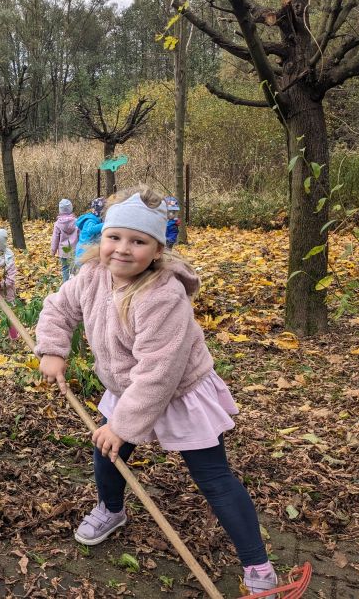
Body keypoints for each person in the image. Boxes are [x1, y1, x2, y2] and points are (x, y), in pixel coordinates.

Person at [35, 185, 278, 597]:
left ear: (157, 248)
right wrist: (53, 349)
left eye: (138, 241)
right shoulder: (91, 276)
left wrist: (122, 425)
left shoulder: (163, 296)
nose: (123, 249)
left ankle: (257, 564)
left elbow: (158, 374)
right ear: (102, 238)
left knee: (214, 478)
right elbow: (59, 308)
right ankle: (111, 510)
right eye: (115, 237)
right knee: (107, 455)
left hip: (178, 392)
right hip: (129, 387)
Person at [51, 198, 79, 283]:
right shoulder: (77, 222)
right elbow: (80, 235)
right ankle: (73, 284)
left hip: (63, 252)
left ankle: (65, 285)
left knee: (65, 268)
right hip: (74, 250)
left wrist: (53, 251)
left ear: (60, 210)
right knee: (74, 268)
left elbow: (55, 238)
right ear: (71, 208)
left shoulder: (57, 224)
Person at [75, 197, 105, 265]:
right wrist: (104, 224)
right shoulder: (90, 220)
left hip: (85, 246)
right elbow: (91, 230)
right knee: (83, 266)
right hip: (84, 247)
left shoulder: (93, 219)